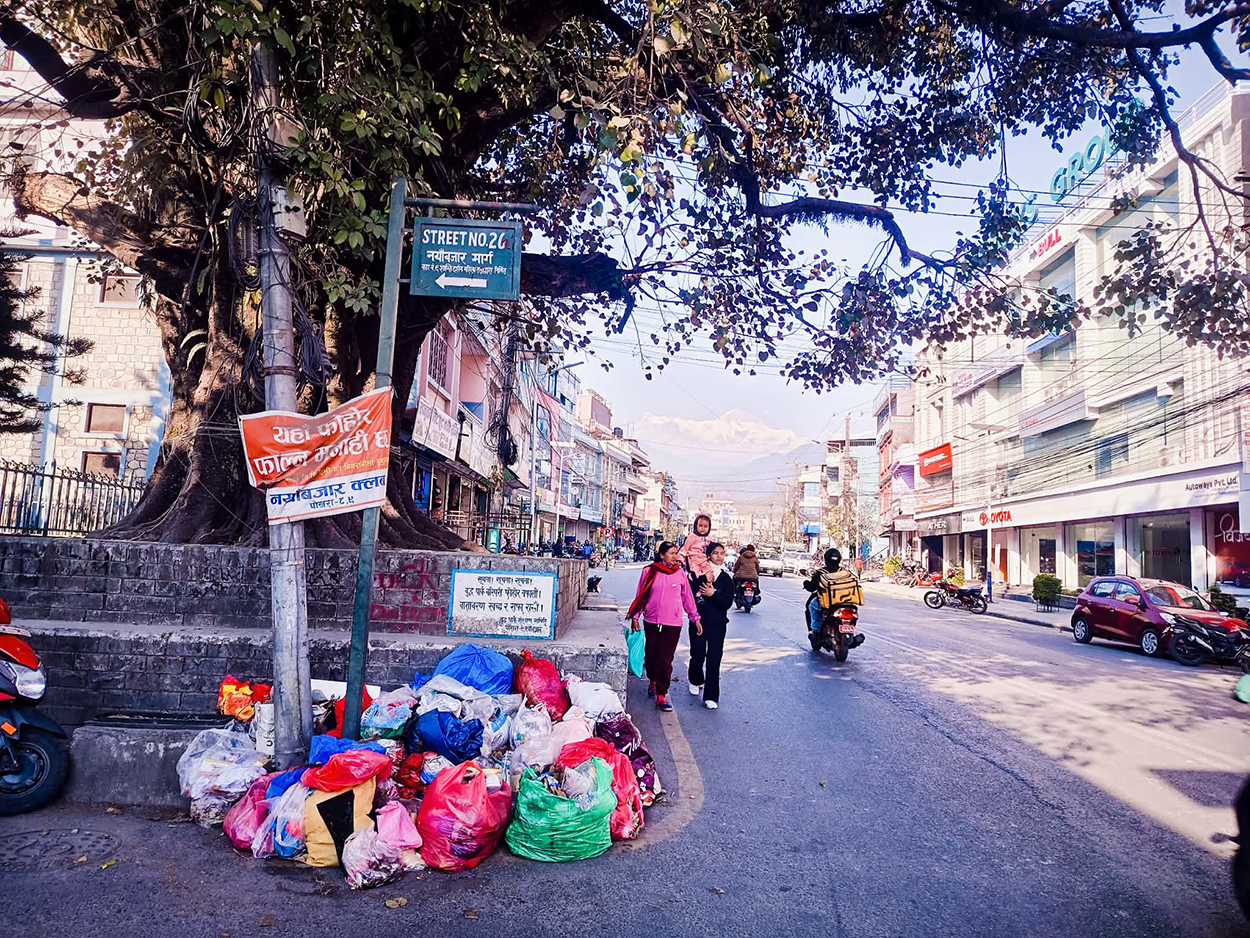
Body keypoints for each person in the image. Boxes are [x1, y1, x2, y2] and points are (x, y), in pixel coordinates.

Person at [626, 541, 701, 712]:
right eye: (672, 553)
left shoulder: (680, 574)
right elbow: (641, 595)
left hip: (673, 623)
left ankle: (661, 694)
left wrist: (694, 618)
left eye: (676, 553)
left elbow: (687, 597)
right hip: (652, 620)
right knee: (651, 655)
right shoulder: (649, 571)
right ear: (661, 555)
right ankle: (652, 680)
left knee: (666, 659)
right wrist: (635, 616)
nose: (676, 557)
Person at [688, 542, 734, 710]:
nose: (719, 556)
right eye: (715, 553)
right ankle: (695, 679)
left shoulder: (726, 579)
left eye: (722, 553)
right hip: (699, 622)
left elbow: (727, 603)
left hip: (718, 625)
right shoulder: (699, 574)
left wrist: (713, 594)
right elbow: (691, 597)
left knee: (714, 659)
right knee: (698, 654)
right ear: (708, 555)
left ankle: (711, 696)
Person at [802, 547, 863, 632]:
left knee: (811, 606)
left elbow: (812, 587)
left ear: (826, 558)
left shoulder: (821, 572)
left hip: (828, 602)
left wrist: (806, 583)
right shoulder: (845, 572)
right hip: (845, 601)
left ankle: (815, 630)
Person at [678, 512, 714, 586]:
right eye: (700, 526)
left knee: (709, 574)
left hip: (704, 561)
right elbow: (684, 549)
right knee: (697, 576)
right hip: (694, 560)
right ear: (695, 526)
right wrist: (680, 559)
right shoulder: (692, 537)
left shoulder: (709, 539)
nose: (703, 528)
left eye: (705, 526)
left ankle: (702, 592)